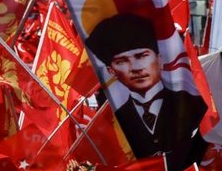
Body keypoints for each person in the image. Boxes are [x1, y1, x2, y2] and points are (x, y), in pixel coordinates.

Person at [87, 12, 207, 161]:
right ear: (111, 71)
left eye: (142, 56)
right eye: (122, 61)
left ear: (160, 59)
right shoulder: (110, 119)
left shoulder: (195, 104)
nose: (136, 68)